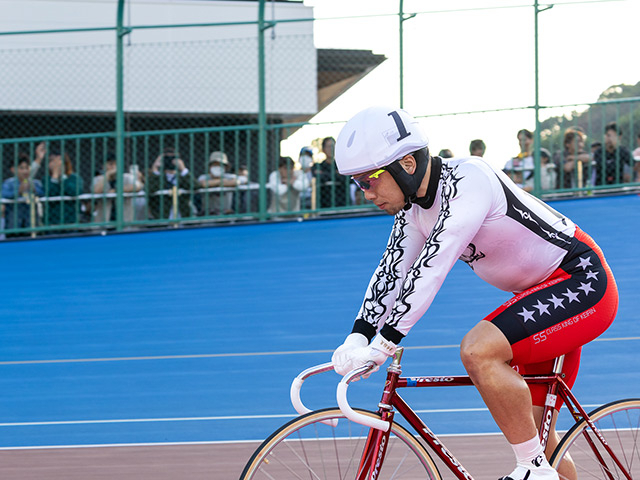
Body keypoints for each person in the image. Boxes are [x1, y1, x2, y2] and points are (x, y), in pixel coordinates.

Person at [330, 106, 618, 480]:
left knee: (478, 350)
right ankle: (539, 467)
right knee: (537, 437)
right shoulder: (414, 211)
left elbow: (432, 266)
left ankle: (532, 470)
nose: (365, 193)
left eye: (367, 181)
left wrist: (384, 344)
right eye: (357, 183)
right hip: (539, 295)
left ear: (407, 165)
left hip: (580, 281)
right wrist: (358, 336)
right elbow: (391, 272)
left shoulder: (469, 178)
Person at [92, 153, 144, 224]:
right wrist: (108, 174)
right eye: (111, 164)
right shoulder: (98, 179)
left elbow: (138, 186)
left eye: (116, 164)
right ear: (103, 166)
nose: (114, 167)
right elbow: (96, 190)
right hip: (104, 220)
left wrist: (116, 191)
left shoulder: (127, 177)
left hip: (125, 220)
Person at [147, 148, 195, 220]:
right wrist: (155, 170)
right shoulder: (158, 178)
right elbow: (149, 189)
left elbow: (196, 186)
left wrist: (183, 169)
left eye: (173, 158)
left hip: (183, 216)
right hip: (163, 218)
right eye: (167, 158)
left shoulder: (182, 176)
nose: (170, 161)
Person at [2, 154, 44, 235]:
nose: (25, 171)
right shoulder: (9, 183)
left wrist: (33, 189)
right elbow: (4, 195)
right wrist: (18, 191)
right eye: (21, 168)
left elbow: (43, 193)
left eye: (27, 168)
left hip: (31, 224)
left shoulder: (35, 183)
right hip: (13, 225)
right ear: (13, 169)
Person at [42, 148, 83, 228]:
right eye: (52, 161)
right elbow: (50, 193)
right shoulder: (46, 179)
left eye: (59, 160)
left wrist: (63, 178)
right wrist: (55, 177)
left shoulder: (74, 178)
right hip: (51, 222)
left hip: (71, 220)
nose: (56, 164)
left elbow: (73, 192)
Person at [197, 151, 247, 216]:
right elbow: (202, 184)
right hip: (208, 214)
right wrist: (222, 182)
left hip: (226, 213)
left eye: (220, 165)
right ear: (210, 167)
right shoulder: (203, 177)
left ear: (225, 167)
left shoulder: (230, 176)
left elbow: (238, 181)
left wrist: (214, 183)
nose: (218, 167)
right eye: (215, 165)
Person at [314, 136, 349, 208]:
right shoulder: (318, 166)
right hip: (324, 203)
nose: (331, 149)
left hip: (342, 201)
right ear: (323, 149)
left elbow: (347, 179)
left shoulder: (342, 165)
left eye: (333, 146)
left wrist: (325, 175)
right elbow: (318, 178)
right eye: (328, 146)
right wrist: (337, 175)